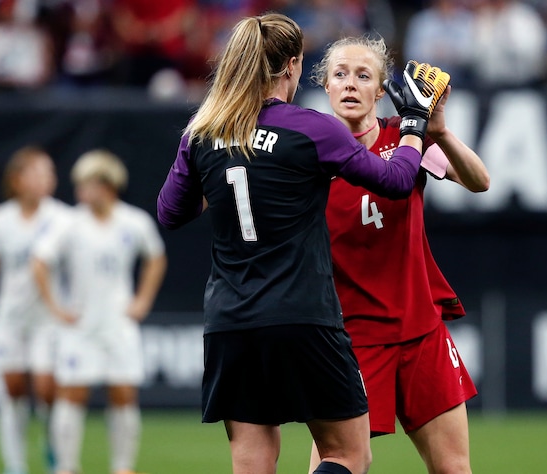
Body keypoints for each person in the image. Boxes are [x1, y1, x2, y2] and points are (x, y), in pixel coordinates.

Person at [156, 12, 450, 474]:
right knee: (347, 454)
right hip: (302, 313)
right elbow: (395, 181)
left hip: (230, 320)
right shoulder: (312, 128)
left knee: (252, 463)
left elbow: (171, 213)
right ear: (293, 66)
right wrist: (414, 122)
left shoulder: (204, 130)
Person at [308, 35, 490, 474]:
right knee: (339, 462)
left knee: (454, 468)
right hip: (352, 338)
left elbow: (479, 181)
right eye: (340, 75)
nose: (350, 84)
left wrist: (439, 129)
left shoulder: (405, 138)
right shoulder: (308, 158)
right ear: (326, 88)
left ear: (380, 90)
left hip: (420, 329)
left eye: (363, 75)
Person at [32, 150, 167, 474]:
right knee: (72, 394)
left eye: (86, 184)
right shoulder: (69, 223)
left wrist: (143, 300)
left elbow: (156, 258)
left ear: (106, 185)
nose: (80, 191)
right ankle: (66, 466)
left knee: (123, 393)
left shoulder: (134, 221)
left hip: (118, 323)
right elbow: (39, 262)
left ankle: (123, 467)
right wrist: (56, 306)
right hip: (80, 325)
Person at [0, 146, 70, 474]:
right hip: (10, 318)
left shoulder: (63, 217)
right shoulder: (0, 219)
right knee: (11, 389)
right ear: (17, 179)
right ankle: (15, 464)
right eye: (37, 172)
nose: (46, 179)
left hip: (47, 319)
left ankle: (52, 443)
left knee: (46, 389)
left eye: (49, 173)